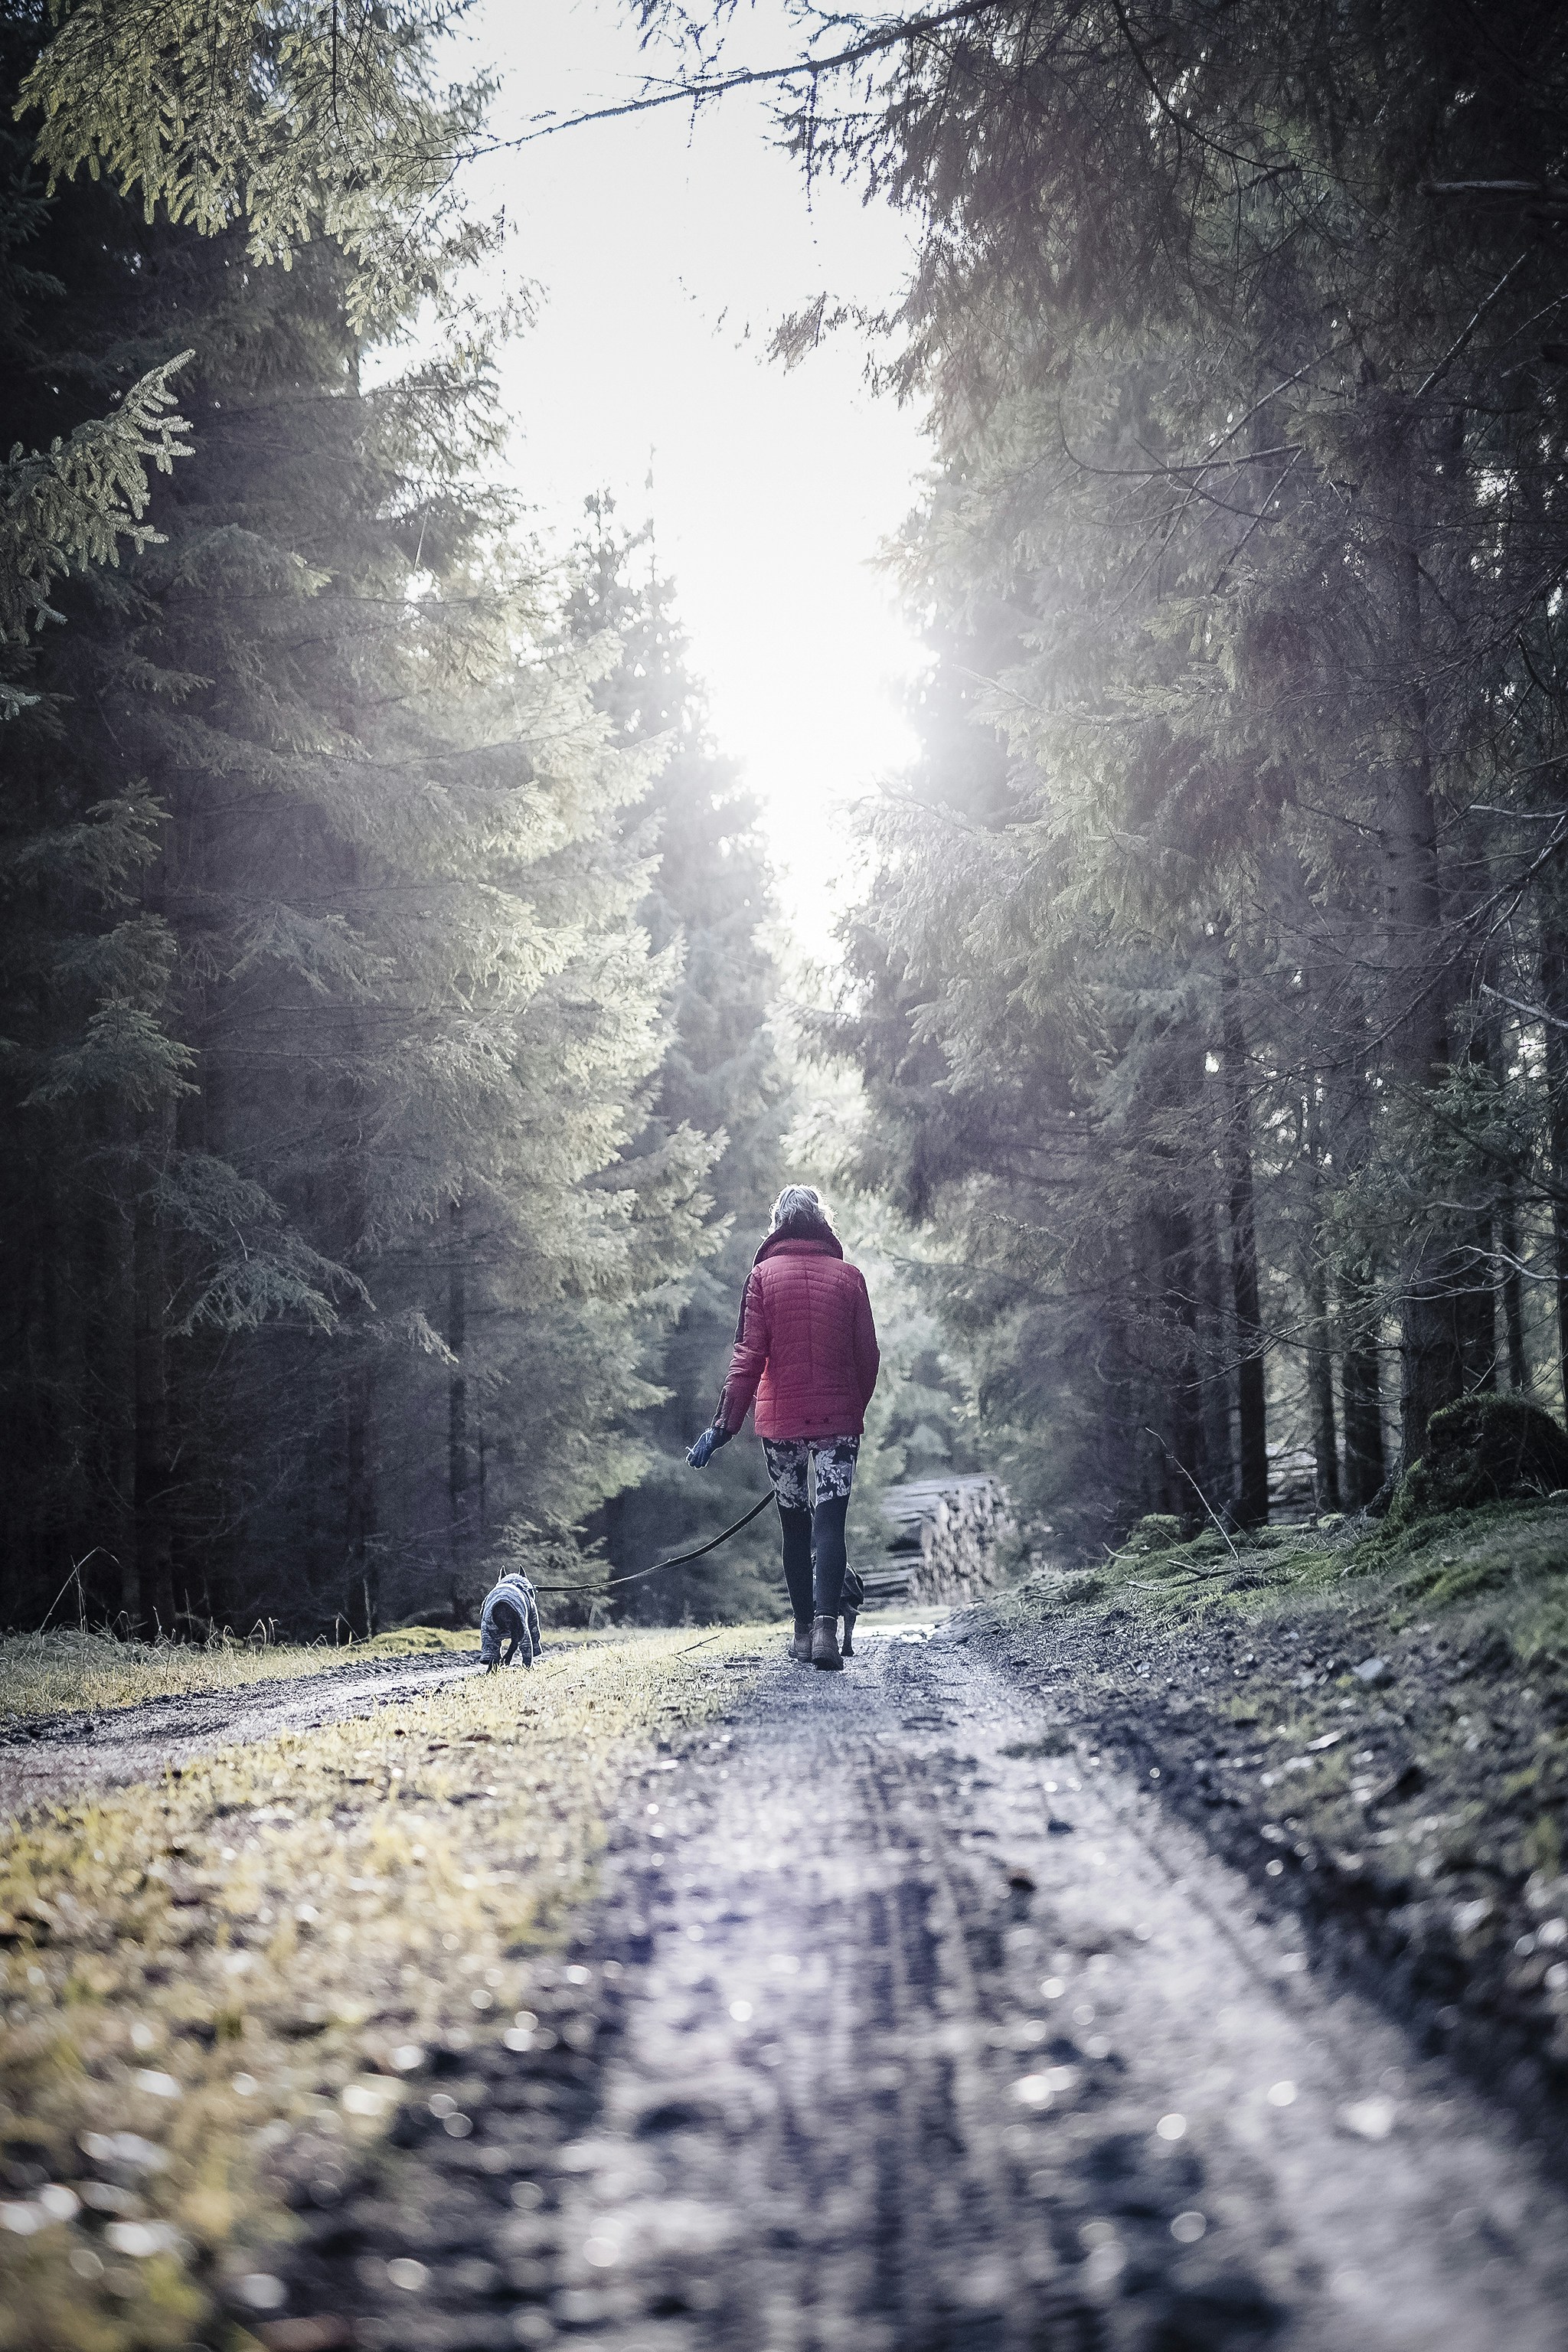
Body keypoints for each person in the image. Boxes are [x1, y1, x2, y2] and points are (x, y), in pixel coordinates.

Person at [688, 1185, 879, 1672]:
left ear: (777, 1224)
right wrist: (852, 1407)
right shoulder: (851, 1279)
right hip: (838, 1423)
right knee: (831, 1525)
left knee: (795, 1526)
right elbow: (868, 1357)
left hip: (782, 1424)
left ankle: (800, 1631)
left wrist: (722, 1430)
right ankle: (826, 1634)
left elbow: (747, 1359)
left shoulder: (762, 1279)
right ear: (821, 1222)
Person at [479, 1570, 541, 1670]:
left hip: (494, 1605)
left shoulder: (497, 1589)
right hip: (516, 1605)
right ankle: (528, 1665)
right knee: (523, 1631)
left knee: (489, 1632)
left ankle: (492, 1662)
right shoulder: (525, 1592)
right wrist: (534, 1645)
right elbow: (533, 1625)